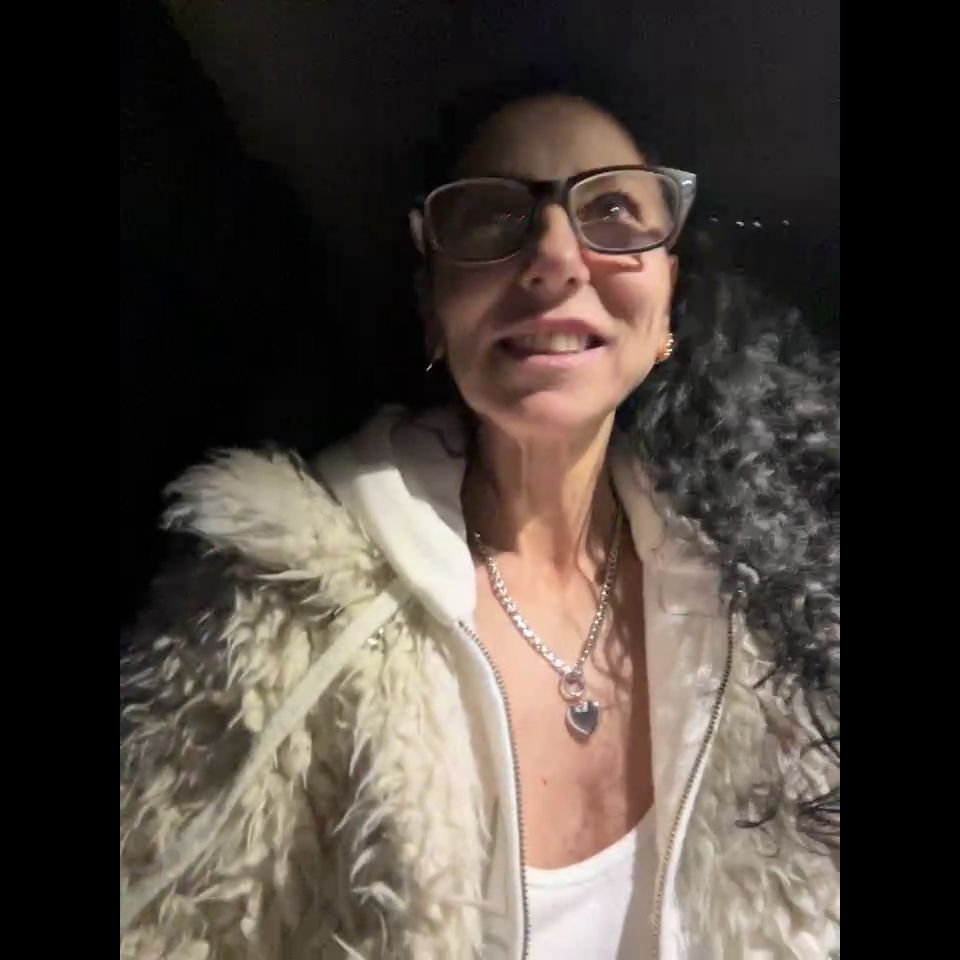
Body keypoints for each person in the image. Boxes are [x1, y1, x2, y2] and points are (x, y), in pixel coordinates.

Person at [120, 94, 839, 959]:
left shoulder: (768, 607)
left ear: (667, 309)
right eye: (494, 213)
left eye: (613, 209)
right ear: (433, 307)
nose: (554, 255)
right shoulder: (275, 610)